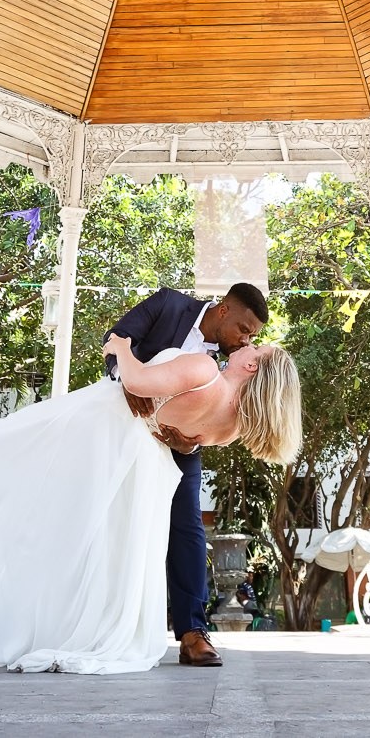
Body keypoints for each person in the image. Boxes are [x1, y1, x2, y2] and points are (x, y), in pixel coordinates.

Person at [0, 322, 297, 674]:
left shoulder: (205, 369)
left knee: (21, 439)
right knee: (104, 544)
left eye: (255, 348)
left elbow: (134, 382)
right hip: (142, 460)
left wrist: (120, 346)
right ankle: (84, 627)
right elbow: (188, 443)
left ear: (252, 365)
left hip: (105, 422)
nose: (247, 346)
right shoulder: (233, 425)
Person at [105, 282, 267, 666]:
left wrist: (191, 442)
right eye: (244, 329)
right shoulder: (169, 304)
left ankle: (193, 633)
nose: (245, 340)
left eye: (253, 336)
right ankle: (111, 621)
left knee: (188, 527)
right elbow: (116, 338)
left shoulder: (233, 363)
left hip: (181, 445)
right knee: (111, 517)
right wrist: (124, 383)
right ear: (224, 310)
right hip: (124, 425)